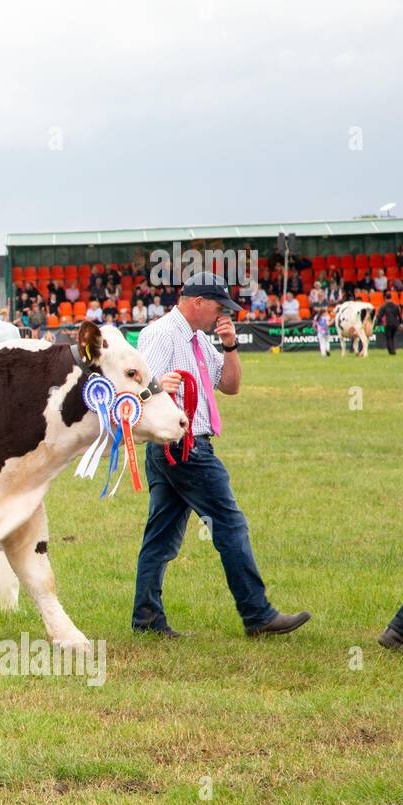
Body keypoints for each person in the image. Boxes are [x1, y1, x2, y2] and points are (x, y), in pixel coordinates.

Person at [133, 272, 310, 638]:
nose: (222, 314)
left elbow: (230, 386)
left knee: (161, 538)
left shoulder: (198, 338)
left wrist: (230, 346)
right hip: (183, 446)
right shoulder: (161, 334)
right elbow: (138, 388)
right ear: (197, 302)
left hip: (178, 447)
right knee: (230, 525)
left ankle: (147, 620)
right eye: (218, 307)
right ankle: (257, 615)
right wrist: (156, 387)